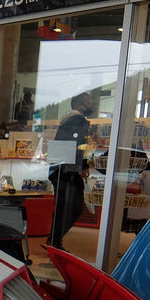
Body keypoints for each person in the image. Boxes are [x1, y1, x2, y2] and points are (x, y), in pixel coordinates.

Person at [48, 91, 92, 250]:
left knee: (64, 206)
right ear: (80, 102)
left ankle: (54, 241)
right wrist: (81, 166)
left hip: (62, 169)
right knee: (70, 207)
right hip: (68, 170)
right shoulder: (77, 120)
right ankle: (54, 241)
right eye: (88, 100)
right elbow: (78, 145)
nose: (91, 102)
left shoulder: (68, 119)